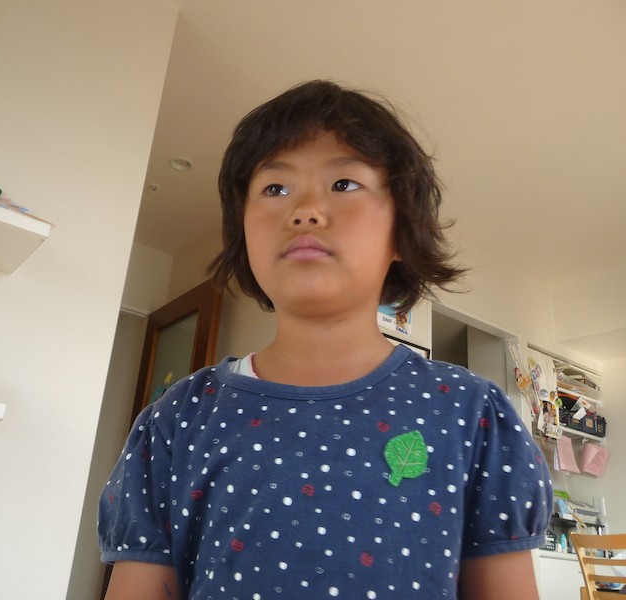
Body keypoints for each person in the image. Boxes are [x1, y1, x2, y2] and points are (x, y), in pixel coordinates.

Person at [98, 80, 553, 599]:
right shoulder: (178, 418)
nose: (305, 211)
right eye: (275, 189)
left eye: (343, 183)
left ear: (401, 231)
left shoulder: (472, 412)